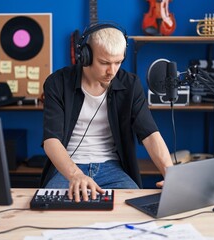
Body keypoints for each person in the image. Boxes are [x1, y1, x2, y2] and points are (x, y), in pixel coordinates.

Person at [41, 22, 173, 202]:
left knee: (134, 210)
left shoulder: (130, 84)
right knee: (48, 209)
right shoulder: (57, 83)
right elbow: (51, 140)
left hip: (112, 168)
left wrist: (170, 174)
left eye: (118, 62)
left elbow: (150, 134)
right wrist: (75, 175)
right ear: (85, 56)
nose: (112, 71)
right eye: (104, 63)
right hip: (68, 168)